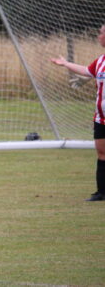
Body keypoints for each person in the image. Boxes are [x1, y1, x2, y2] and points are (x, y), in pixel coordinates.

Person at [50, 24, 105, 202]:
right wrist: (65, 63)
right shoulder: (101, 60)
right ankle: (101, 192)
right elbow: (87, 71)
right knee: (102, 153)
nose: (98, 36)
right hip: (101, 118)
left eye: (101, 33)